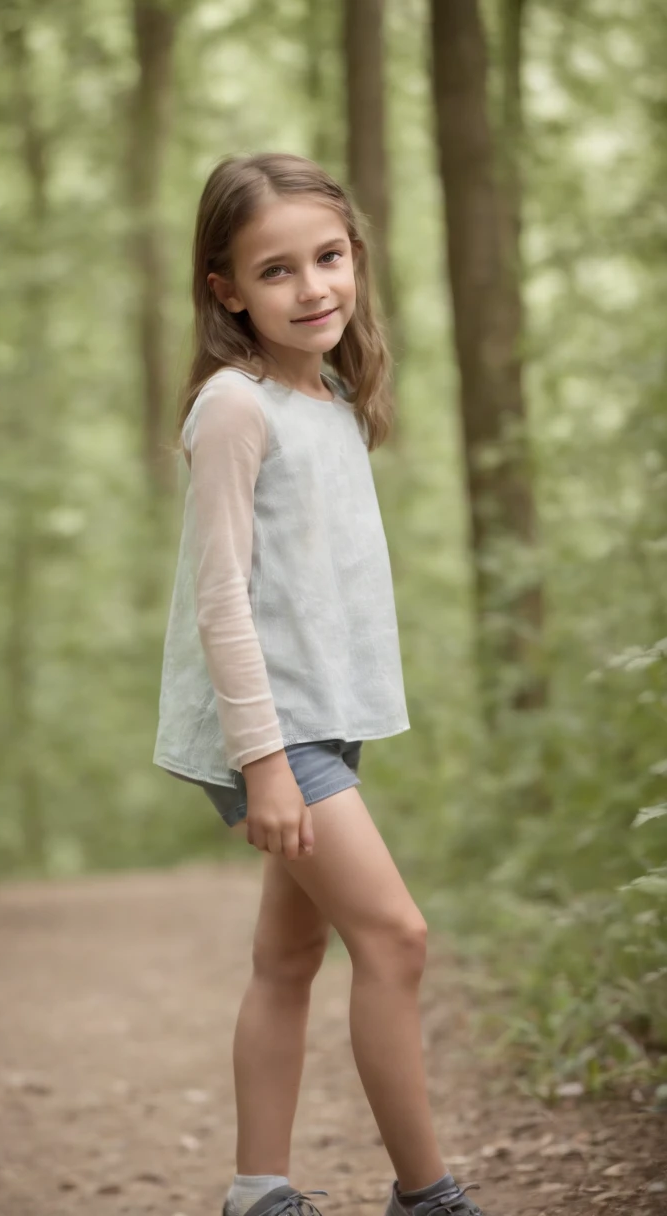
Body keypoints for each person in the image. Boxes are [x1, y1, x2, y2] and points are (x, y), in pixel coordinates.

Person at [153, 152, 490, 1216]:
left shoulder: (332, 395)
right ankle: (426, 1194)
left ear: (355, 259)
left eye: (329, 258)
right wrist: (264, 763)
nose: (313, 289)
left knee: (286, 957)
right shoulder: (233, 409)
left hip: (320, 721)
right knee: (395, 937)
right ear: (226, 291)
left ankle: (258, 1191)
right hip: (269, 729)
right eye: (277, 270)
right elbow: (223, 601)